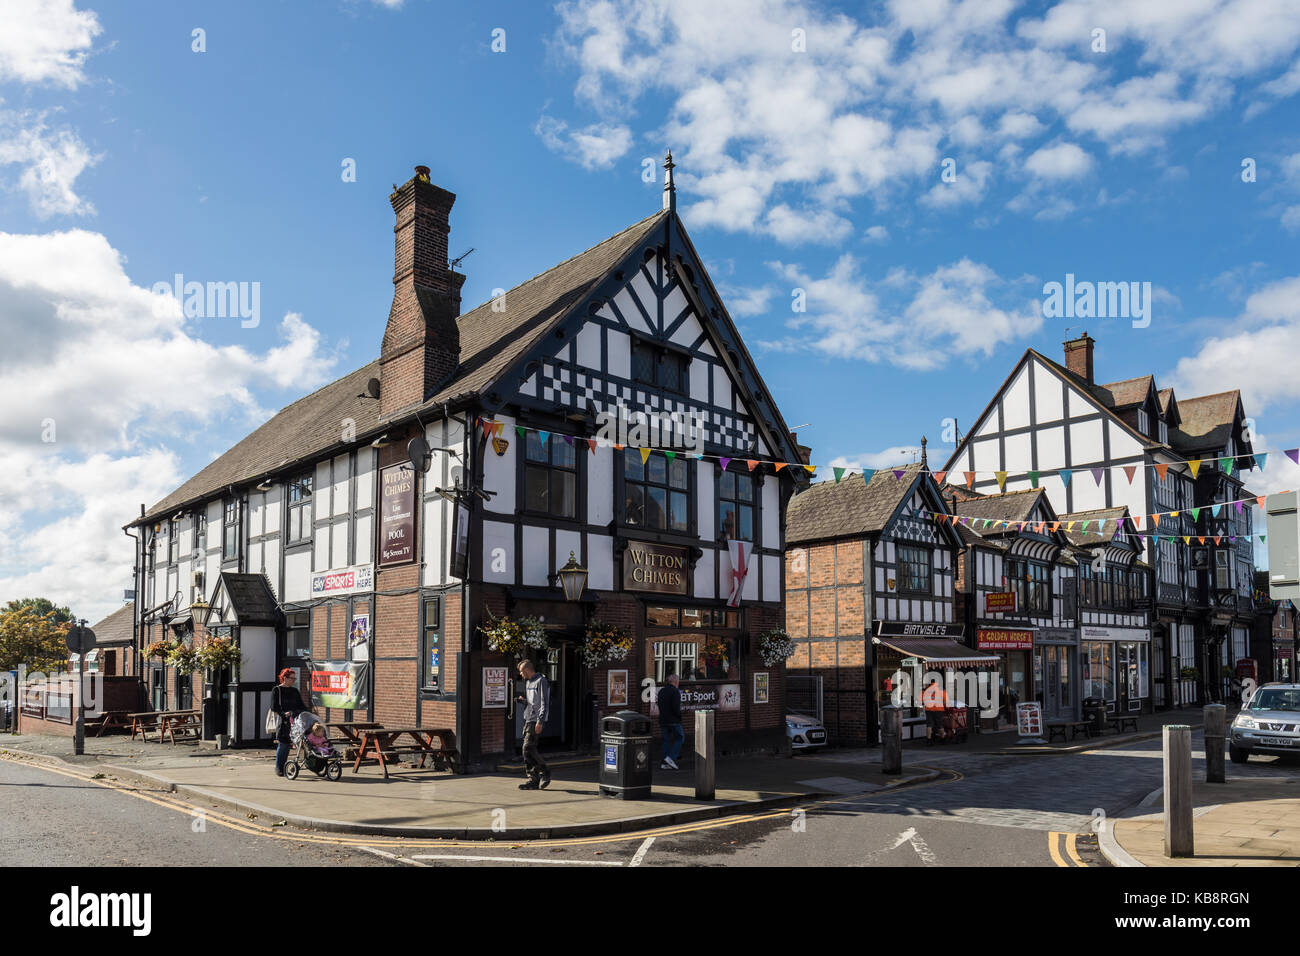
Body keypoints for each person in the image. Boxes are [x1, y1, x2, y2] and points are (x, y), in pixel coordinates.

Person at [515, 659, 551, 790]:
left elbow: (544, 703)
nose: (520, 674)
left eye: (521, 672)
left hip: (536, 720)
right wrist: (523, 701)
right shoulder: (528, 682)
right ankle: (533, 779)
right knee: (528, 751)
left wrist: (540, 721)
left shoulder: (541, 681)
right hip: (528, 718)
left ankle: (545, 772)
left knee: (527, 748)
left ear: (527, 670)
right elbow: (532, 702)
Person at [272, 668, 306, 776]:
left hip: (295, 720)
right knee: (283, 744)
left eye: (295, 678)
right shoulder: (277, 690)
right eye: (292, 678)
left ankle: (285, 767)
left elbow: (301, 705)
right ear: (285, 678)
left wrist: (299, 713)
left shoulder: (295, 691)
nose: (294, 680)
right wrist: (283, 714)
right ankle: (279, 768)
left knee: (289, 744)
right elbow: (274, 707)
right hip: (283, 721)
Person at [657, 672, 684, 770]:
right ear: (675, 681)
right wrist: (680, 717)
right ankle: (671, 758)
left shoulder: (661, 691)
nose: (678, 683)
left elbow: (659, 705)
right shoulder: (675, 691)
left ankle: (664, 763)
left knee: (665, 741)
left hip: (663, 719)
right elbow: (676, 707)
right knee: (680, 738)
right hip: (673, 720)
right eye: (678, 681)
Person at [922, 677, 949, 745]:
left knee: (929, 725)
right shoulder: (941, 690)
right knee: (940, 725)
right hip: (938, 710)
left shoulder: (925, 690)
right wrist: (947, 708)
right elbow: (946, 702)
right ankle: (942, 739)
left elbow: (922, 701)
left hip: (929, 709)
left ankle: (928, 740)